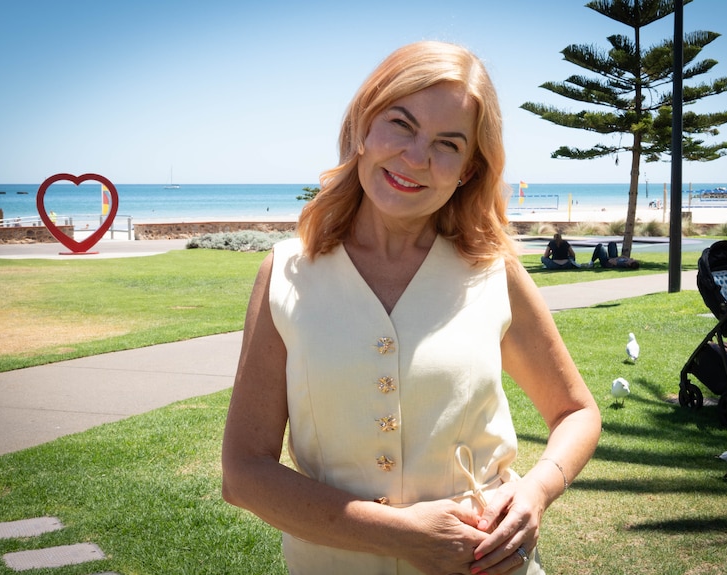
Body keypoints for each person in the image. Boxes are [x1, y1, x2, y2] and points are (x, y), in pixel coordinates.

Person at [221, 41, 601, 575]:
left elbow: (576, 412)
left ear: (469, 169)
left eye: (448, 144)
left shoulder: (493, 271)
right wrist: (405, 535)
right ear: (362, 126)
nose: (417, 158)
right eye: (401, 123)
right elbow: (243, 473)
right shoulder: (285, 274)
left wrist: (536, 492)